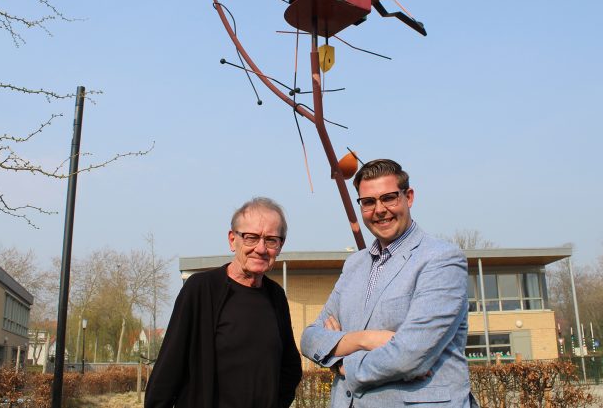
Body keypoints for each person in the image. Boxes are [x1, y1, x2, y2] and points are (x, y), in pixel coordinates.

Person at [301, 159, 475, 407]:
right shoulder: (354, 265)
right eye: (369, 202)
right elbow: (310, 338)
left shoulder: (441, 259)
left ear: (409, 197)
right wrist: (365, 339)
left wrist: (341, 364)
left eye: (389, 198)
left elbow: (410, 355)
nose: (380, 209)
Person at [144, 197, 302, 408]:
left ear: (281, 245)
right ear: (232, 239)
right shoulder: (200, 290)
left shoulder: (276, 297)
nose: (261, 248)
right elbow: (167, 372)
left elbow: (290, 367)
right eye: (251, 237)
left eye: (271, 240)